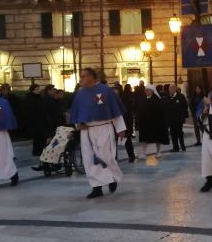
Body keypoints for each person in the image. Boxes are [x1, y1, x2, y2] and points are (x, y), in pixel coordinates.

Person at [69, 68, 126, 199]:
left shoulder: (106, 91)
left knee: (106, 156)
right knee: (89, 159)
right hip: (87, 131)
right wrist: (79, 123)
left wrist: (120, 129)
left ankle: (112, 178)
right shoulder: (80, 94)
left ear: (92, 77)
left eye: (83, 76)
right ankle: (96, 187)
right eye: (81, 76)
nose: (81, 79)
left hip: (104, 128)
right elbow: (77, 113)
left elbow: (115, 111)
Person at [138, 83, 169, 158]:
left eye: (148, 90)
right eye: (146, 90)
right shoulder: (143, 99)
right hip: (145, 123)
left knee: (157, 138)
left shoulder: (157, 100)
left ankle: (158, 152)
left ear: (152, 91)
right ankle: (143, 153)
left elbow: (160, 111)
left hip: (155, 122)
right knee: (144, 138)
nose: (146, 91)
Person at [116, 83, 136, 162]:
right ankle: (114, 159)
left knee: (127, 140)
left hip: (124, 122)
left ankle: (131, 156)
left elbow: (127, 113)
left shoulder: (124, 98)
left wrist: (128, 127)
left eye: (116, 90)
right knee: (114, 142)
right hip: (117, 122)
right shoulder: (116, 99)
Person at [167, 84, 189, 152]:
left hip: (179, 118)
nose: (170, 90)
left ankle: (182, 146)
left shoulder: (180, 96)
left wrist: (181, 112)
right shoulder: (168, 97)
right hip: (171, 119)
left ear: (175, 89)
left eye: (172, 88)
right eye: (169, 89)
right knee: (173, 133)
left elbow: (185, 105)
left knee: (179, 132)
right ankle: (175, 147)